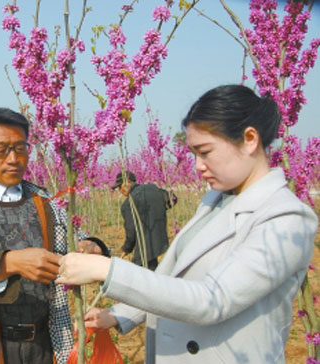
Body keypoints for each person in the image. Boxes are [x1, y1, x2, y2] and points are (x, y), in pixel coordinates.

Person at [57, 85, 318, 363]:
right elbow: (171, 281)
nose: (197, 166)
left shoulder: (287, 219)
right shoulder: (215, 201)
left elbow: (212, 300)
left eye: (205, 152)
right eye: (194, 153)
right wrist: (119, 314)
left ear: (250, 139)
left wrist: (107, 270)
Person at [0, 107, 108, 364]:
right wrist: (8, 264)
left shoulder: (47, 202)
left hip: (45, 345)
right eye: (1, 150)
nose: (13, 159)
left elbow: (77, 238)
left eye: (21, 148)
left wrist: (90, 246)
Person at [112, 171, 177, 270]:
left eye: (120, 186)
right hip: (159, 240)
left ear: (128, 182)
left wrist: (126, 249)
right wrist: (158, 210)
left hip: (144, 248)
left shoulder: (128, 204)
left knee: (142, 273)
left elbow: (131, 232)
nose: (120, 190)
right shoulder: (152, 188)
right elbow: (173, 198)